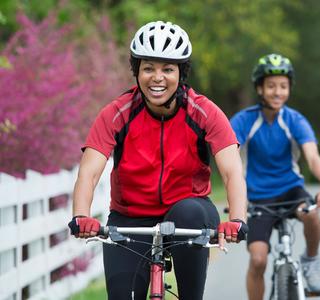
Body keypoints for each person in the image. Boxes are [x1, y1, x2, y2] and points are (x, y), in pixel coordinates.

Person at [67, 20, 248, 300]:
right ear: (137, 71)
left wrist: (236, 219)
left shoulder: (204, 112)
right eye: (148, 68)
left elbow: (232, 172)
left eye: (167, 69)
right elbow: (89, 173)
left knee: (187, 213)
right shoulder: (116, 113)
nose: (157, 77)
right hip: (129, 217)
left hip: (191, 212)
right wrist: (81, 215)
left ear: (181, 73)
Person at [230, 53, 320, 300]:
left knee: (311, 213)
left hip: (291, 191)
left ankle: (311, 259)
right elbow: (230, 158)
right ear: (259, 88)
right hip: (258, 198)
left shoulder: (294, 120)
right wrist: (237, 199)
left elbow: (312, 157)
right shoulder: (245, 120)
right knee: (257, 260)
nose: (277, 92)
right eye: (271, 86)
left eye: (283, 86)